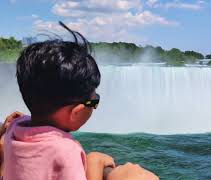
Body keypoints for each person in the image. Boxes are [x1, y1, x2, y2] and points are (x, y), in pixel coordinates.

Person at [3, 22, 158, 180]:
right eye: (94, 102)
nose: (95, 105)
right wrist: (95, 162)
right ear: (76, 112)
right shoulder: (66, 151)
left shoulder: (15, 128)